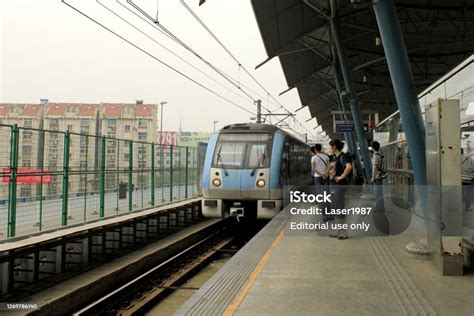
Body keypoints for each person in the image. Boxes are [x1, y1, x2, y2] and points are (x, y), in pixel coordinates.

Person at [328, 139, 352, 240]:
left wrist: (341, 176)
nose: (329, 148)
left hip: (340, 186)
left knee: (340, 209)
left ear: (334, 146)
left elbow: (349, 167)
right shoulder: (335, 157)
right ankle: (338, 230)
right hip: (334, 186)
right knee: (335, 209)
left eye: (330, 146)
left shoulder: (342, 156)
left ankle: (344, 232)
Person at [311, 144, 331, 220]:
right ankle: (328, 213)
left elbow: (313, 169)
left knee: (320, 195)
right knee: (326, 195)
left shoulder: (313, 158)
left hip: (318, 178)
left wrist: (321, 174)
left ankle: (324, 214)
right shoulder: (326, 156)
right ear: (321, 148)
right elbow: (329, 166)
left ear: (315, 149)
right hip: (326, 177)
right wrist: (325, 174)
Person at [371, 141, 385, 212]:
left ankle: (379, 208)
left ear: (372, 147)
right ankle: (381, 207)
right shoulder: (379, 155)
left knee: (377, 193)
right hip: (379, 175)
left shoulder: (376, 156)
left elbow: (375, 167)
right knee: (379, 192)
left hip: (377, 176)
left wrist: (373, 177)